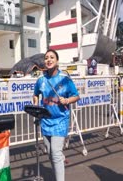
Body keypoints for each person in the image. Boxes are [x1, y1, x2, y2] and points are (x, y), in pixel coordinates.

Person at [32, 49, 80, 181]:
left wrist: (67, 100)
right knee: (50, 153)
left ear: (57, 61)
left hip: (60, 120)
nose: (48, 60)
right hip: (45, 121)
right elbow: (35, 94)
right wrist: (36, 103)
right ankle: (57, 174)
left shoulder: (65, 79)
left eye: (52, 57)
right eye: (46, 58)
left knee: (56, 153)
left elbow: (76, 96)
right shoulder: (41, 80)